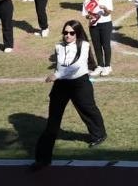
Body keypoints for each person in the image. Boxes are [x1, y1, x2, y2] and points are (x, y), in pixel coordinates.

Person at [32, 20, 107, 168]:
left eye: (71, 33)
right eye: (65, 32)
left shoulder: (84, 45)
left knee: (87, 109)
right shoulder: (58, 47)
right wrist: (58, 76)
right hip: (61, 86)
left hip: (80, 83)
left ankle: (99, 134)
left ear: (77, 33)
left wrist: (57, 75)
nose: (68, 35)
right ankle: (42, 159)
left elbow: (78, 65)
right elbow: (61, 64)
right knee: (53, 121)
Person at [82, 0, 113, 76]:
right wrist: (89, 16)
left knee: (106, 45)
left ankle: (107, 66)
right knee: (96, 46)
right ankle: (100, 65)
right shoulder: (87, 0)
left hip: (105, 24)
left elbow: (109, 12)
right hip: (93, 25)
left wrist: (105, 8)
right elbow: (86, 14)